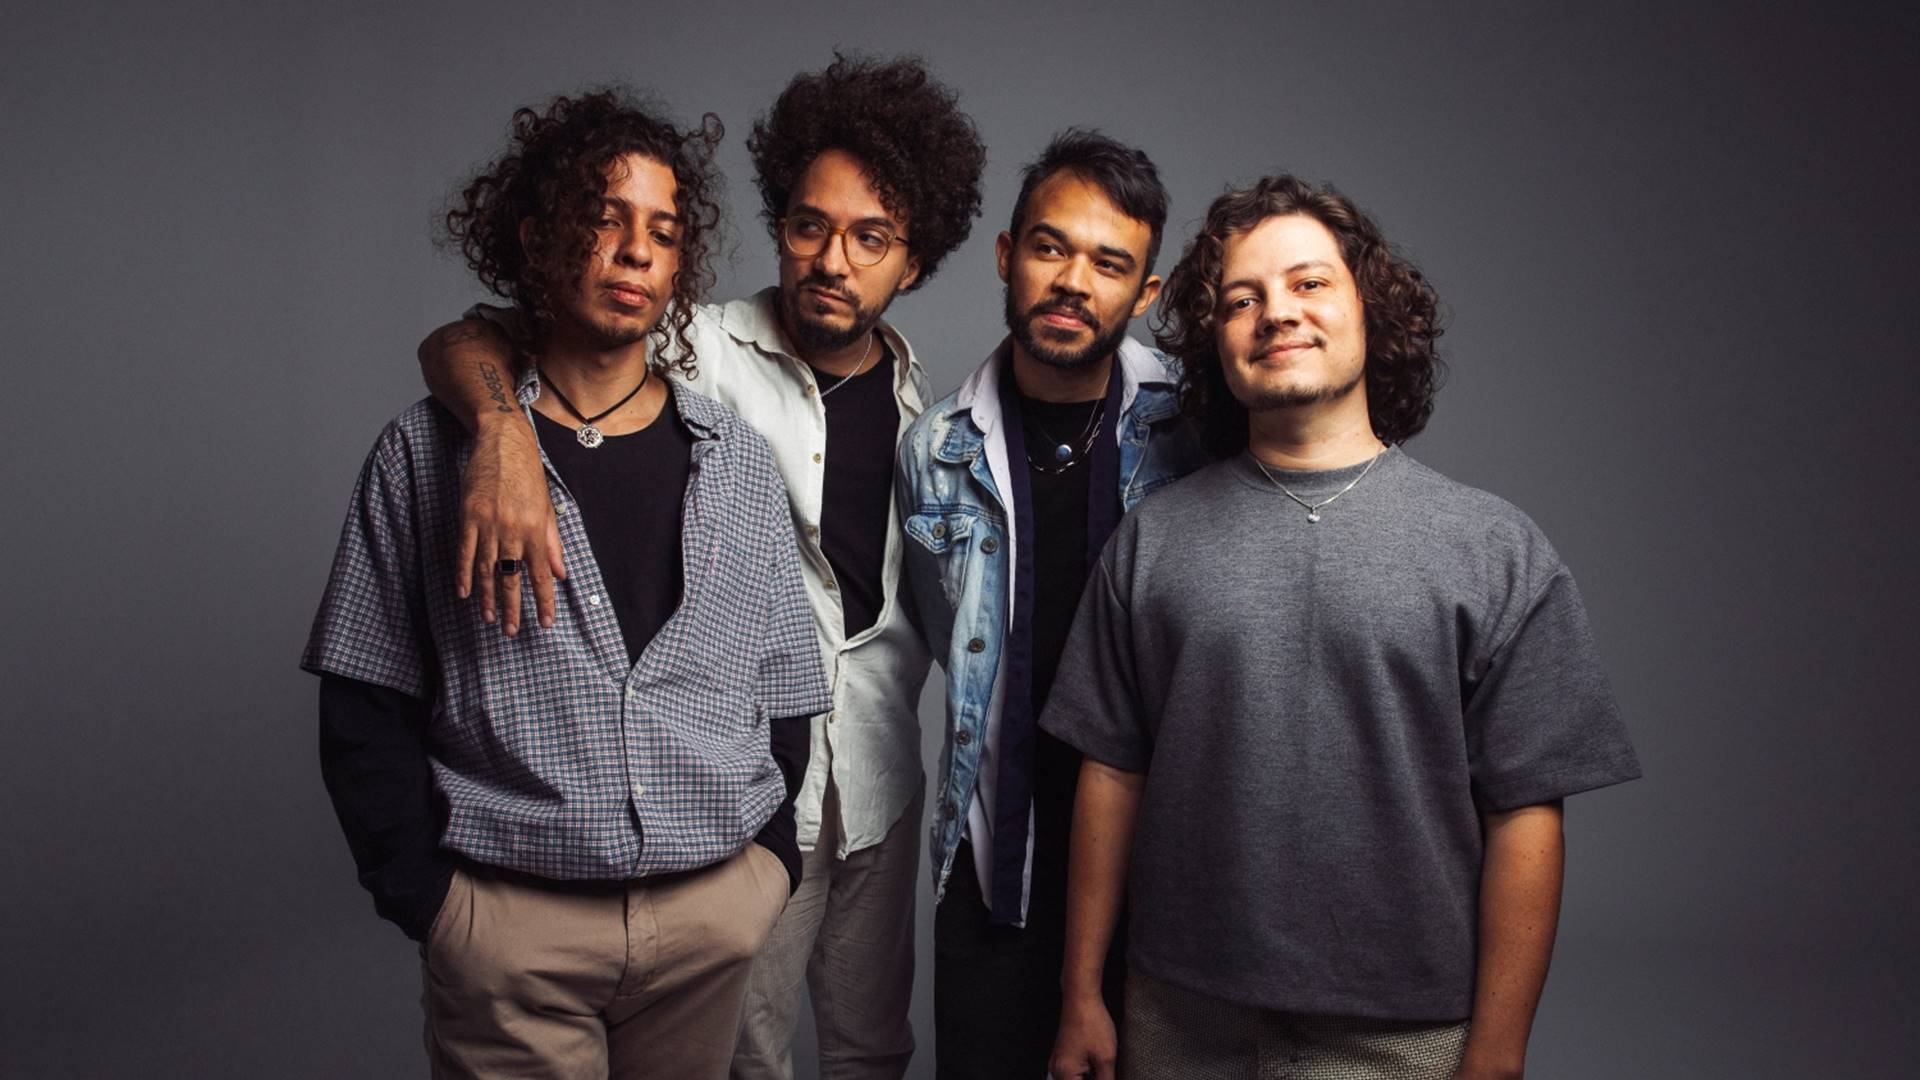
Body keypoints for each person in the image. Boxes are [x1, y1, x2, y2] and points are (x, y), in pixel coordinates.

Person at [414, 54, 987, 1080]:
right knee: (745, 1061)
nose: (832, 261)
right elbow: (470, 338)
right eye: (809, 226)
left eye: (871, 238)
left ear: (914, 262)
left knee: (874, 1050)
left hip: (881, 782)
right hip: (735, 798)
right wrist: (501, 433)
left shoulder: (926, 407)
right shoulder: (690, 346)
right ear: (778, 224)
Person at [1042, 175, 1643, 1080]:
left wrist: (1498, 1048)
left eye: (1310, 282)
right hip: (1178, 1015)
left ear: (1372, 309)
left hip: (1406, 1033)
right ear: (1214, 341)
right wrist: (1082, 992)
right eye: (1241, 300)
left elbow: (1525, 813)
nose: (1276, 312)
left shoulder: (1495, 547)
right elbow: (1111, 774)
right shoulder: (1152, 540)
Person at [302, 88, 833, 1078]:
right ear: (538, 235)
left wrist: (762, 872)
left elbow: (788, 689)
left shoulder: (738, 463)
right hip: (510, 933)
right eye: (603, 218)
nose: (635, 252)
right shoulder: (424, 453)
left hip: (710, 926)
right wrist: (441, 908)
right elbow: (364, 701)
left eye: (662, 232)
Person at [895, 130, 1209, 1079]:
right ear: (1007, 254)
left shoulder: (1200, 428)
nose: (1073, 282)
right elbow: (949, 642)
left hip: (1168, 869)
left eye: (1109, 263)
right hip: (1001, 858)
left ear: (1145, 293)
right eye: (1049, 248)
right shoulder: (934, 451)